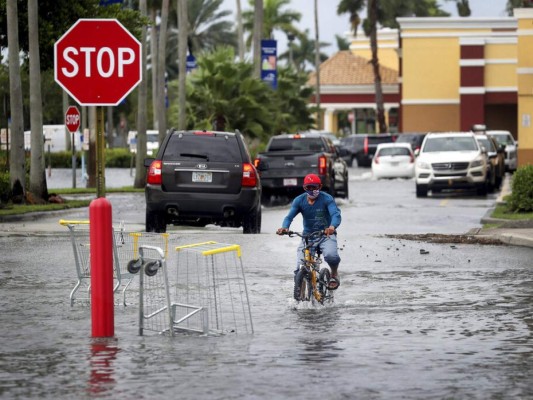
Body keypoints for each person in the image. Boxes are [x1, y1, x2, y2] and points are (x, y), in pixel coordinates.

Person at [276, 173, 342, 290]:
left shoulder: (327, 199)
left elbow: (335, 215)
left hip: (326, 234)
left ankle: (334, 273)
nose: (311, 190)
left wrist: (332, 227)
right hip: (308, 237)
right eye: (308, 188)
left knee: (331, 256)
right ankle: (300, 291)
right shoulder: (299, 200)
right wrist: (284, 227)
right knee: (299, 267)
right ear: (304, 188)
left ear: (320, 187)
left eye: (314, 187)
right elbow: (289, 217)